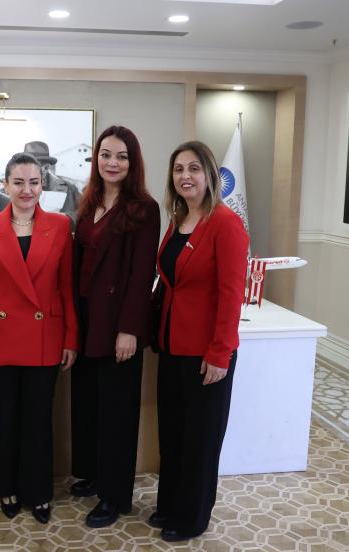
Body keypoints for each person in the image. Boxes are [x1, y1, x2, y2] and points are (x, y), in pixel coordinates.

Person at [0, 152, 78, 524]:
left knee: (38, 418)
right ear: (5, 185)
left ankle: (38, 491)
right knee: (5, 416)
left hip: (46, 335)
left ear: (42, 184)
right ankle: (7, 486)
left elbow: (66, 287)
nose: (27, 190)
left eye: (33, 182)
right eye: (18, 182)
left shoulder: (60, 225)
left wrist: (71, 338)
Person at [151, 141, 248, 542]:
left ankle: (191, 517)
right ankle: (170, 504)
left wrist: (220, 353)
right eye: (178, 169)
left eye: (193, 168)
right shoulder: (179, 219)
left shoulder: (226, 223)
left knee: (200, 440)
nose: (185, 176)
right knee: (173, 433)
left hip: (207, 352)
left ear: (209, 174)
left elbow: (231, 294)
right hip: (172, 345)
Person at [69, 125, 160, 528]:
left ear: (132, 162)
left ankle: (115, 495)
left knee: (117, 412)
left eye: (122, 156)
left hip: (118, 322)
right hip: (87, 318)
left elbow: (142, 275)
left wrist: (130, 330)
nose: (112, 163)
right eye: (106, 155)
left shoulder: (144, 208)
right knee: (89, 403)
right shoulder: (87, 201)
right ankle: (93, 474)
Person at [23, 141, 82, 225]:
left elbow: (86, 212)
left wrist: (65, 218)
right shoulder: (13, 188)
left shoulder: (69, 188)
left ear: (46, 167)